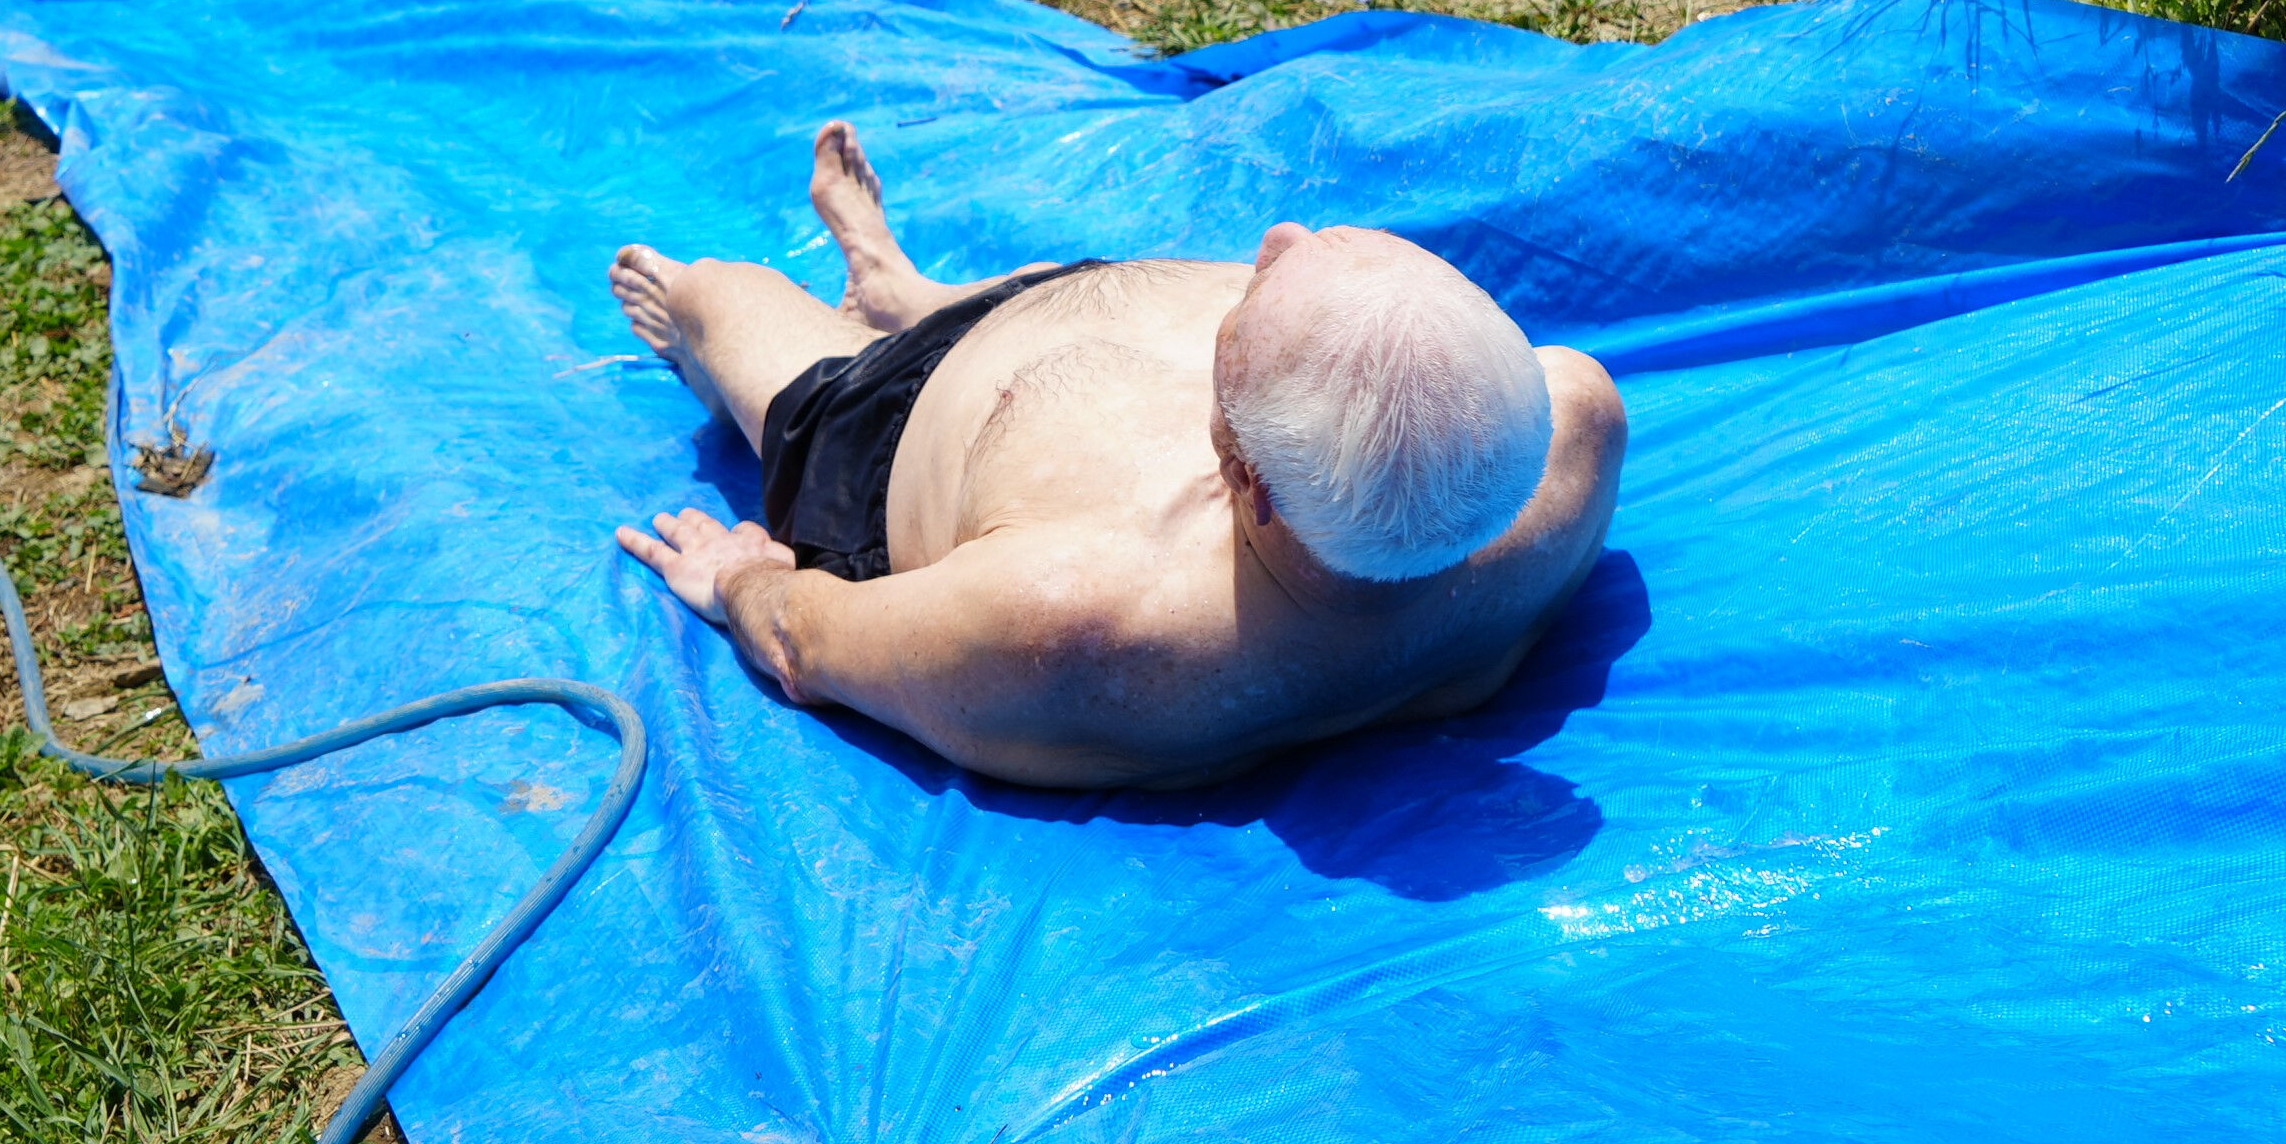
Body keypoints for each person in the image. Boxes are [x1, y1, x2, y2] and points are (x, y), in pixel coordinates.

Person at [611, 122, 1623, 790]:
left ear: (1242, 477)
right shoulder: (1570, 424)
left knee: (719, 292)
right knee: (1069, 287)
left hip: (883, 436)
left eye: (1251, 303)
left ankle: (840, 332)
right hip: (1074, 331)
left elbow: (807, 642)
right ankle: (900, 290)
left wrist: (743, 580)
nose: (1277, 235)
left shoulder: (1073, 619)